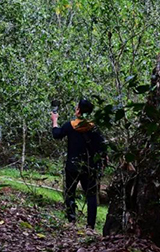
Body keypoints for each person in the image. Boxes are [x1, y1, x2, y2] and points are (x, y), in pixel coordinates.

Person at [50, 98, 106, 230]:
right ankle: (90, 225)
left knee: (70, 192)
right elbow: (102, 148)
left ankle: (71, 220)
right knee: (91, 196)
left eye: (77, 107)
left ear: (79, 110)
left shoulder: (70, 125)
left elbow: (57, 134)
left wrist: (54, 121)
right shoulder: (94, 128)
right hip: (89, 166)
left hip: (72, 166)